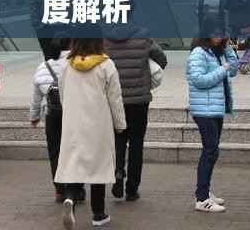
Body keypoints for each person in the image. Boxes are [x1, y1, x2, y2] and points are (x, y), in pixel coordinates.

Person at [55, 32, 126, 228]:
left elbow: (63, 95)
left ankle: (70, 198)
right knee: (98, 168)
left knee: (74, 164)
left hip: (73, 124)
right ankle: (98, 214)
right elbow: (115, 98)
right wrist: (120, 124)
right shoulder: (106, 65)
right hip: (98, 124)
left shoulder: (66, 65)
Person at [105, 29, 167, 201]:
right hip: (140, 100)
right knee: (136, 144)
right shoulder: (144, 37)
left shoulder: (105, 38)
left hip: (116, 99)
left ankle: (118, 172)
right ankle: (132, 189)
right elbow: (162, 59)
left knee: (118, 139)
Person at [186, 23, 238, 213]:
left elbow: (234, 69)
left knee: (212, 151)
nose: (219, 36)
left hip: (215, 108)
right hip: (204, 110)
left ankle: (204, 191)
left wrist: (228, 47)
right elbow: (198, 80)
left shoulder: (217, 52)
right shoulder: (198, 53)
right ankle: (202, 199)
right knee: (210, 151)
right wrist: (222, 69)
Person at [30, 34, 86, 203]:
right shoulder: (77, 63)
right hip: (74, 114)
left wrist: (34, 116)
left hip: (52, 115)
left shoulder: (44, 66)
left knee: (55, 152)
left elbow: (36, 96)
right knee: (76, 151)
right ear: (71, 44)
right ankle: (76, 189)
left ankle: (60, 190)